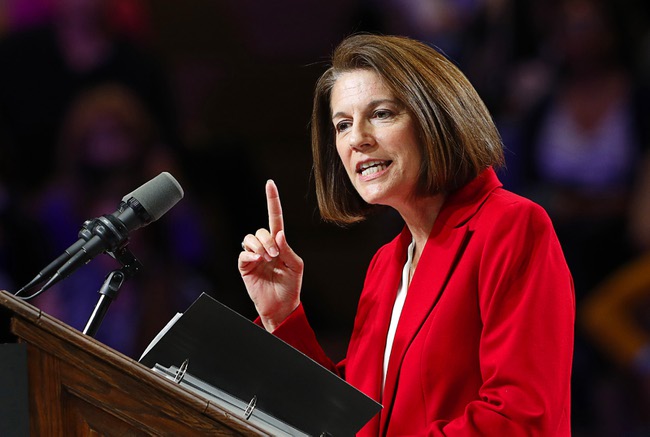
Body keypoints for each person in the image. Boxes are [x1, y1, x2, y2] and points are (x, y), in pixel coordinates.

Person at [238, 34, 575, 436]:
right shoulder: (386, 264)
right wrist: (282, 317)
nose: (357, 138)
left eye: (380, 114)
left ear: (436, 117)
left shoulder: (512, 227)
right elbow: (353, 420)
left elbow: (519, 418)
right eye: (342, 124)